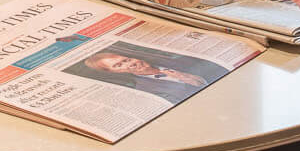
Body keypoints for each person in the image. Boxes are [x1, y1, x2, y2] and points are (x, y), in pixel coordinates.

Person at [73, 44, 227, 102]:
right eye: (119, 65)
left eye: (126, 59)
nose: (131, 63)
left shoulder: (177, 60)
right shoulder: (146, 90)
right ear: (115, 72)